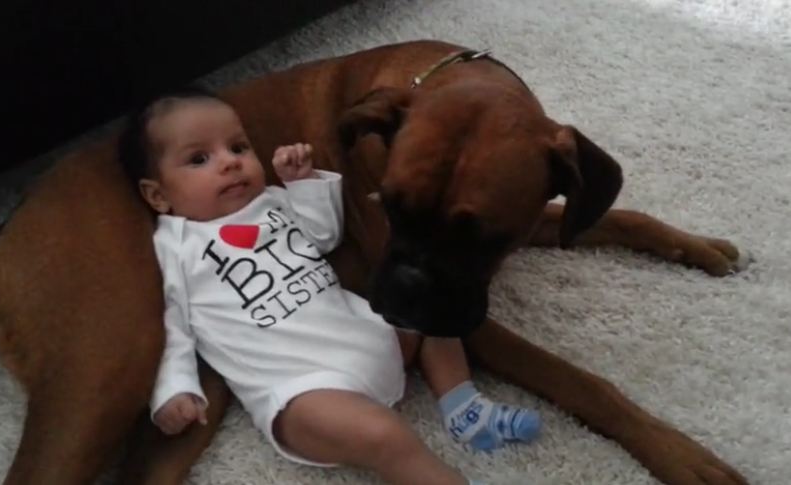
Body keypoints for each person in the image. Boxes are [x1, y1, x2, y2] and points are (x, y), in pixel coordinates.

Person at [117, 85, 541, 485]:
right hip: (302, 391)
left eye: (238, 147)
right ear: (158, 196)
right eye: (199, 159)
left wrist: (303, 185)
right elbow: (173, 328)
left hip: (370, 337)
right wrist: (175, 390)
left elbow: (323, 236)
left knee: (431, 315)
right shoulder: (177, 246)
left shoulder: (271, 203)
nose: (229, 162)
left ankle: (464, 407)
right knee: (383, 437)